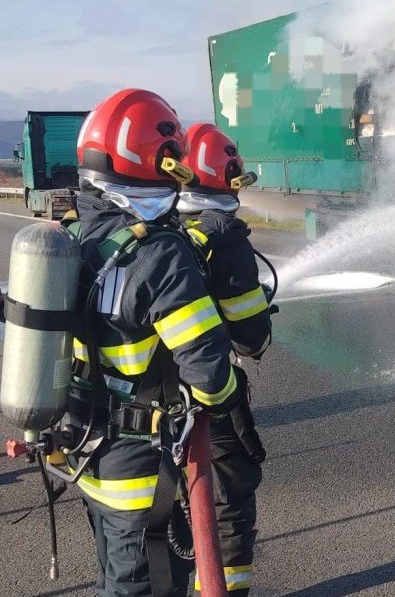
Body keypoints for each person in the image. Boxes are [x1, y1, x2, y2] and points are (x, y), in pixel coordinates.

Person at [68, 88, 242, 596]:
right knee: (146, 583)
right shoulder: (161, 255)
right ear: (156, 158)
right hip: (139, 470)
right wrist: (227, 394)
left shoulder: (76, 238)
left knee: (113, 574)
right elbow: (209, 376)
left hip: (82, 452)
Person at [177, 123, 272, 596]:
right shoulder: (224, 238)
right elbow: (252, 337)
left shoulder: (159, 229)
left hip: (143, 403)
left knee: (166, 507)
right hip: (207, 396)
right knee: (229, 502)